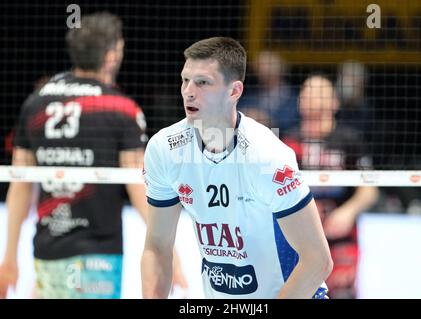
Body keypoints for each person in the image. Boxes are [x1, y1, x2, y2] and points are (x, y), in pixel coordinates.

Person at [0, 12, 186, 299]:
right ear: (112, 56)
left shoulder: (36, 103)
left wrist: (9, 258)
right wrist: (168, 251)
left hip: (47, 251)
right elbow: (139, 187)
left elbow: (20, 184)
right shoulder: (120, 107)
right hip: (97, 256)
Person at [141, 37, 333, 299]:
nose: (188, 91)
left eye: (203, 82)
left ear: (234, 92)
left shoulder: (267, 157)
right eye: (185, 80)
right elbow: (157, 246)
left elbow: (318, 261)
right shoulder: (164, 149)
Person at [283, 75, 379, 298]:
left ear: (334, 102)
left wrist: (349, 211)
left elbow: (370, 190)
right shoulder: (288, 142)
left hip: (341, 238)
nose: (310, 99)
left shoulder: (350, 140)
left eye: (318, 93)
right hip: (300, 240)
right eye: (306, 93)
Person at [238, 50, 299, 136]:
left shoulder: (294, 98)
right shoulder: (250, 96)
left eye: (268, 68)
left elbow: (294, 123)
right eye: (260, 69)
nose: (264, 72)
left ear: (280, 70)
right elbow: (236, 113)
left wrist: (269, 121)